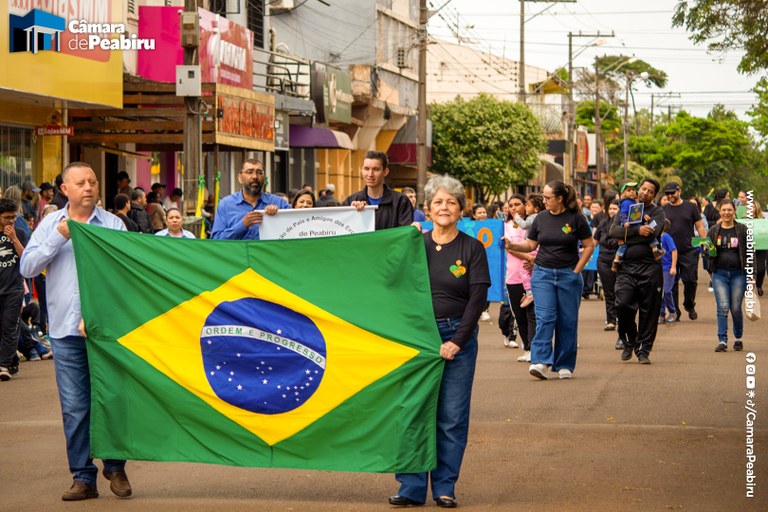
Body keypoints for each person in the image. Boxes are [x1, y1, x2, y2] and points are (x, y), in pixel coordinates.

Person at [19, 162, 132, 501]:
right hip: (65, 331)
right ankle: (83, 477)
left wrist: (101, 314)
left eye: (92, 181)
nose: (88, 187)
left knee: (112, 400)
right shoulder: (50, 225)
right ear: (64, 189)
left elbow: (124, 274)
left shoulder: (113, 224)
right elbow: (28, 266)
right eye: (80, 182)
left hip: (105, 330)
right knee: (75, 406)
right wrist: (59, 236)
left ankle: (115, 466)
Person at [389, 175, 489, 509]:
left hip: (457, 338)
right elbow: (390, 280)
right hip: (417, 338)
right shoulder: (414, 244)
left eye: (451, 202)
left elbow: (477, 299)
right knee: (412, 412)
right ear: (427, 209)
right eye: (437, 202)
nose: (444, 207)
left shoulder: (472, 248)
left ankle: (445, 487)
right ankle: (411, 487)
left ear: (461, 208)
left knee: (452, 416)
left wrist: (457, 341)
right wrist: (401, 238)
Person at [506, 181, 594, 380]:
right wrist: (512, 245)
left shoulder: (576, 218)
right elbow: (530, 244)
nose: (543, 201)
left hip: (568, 275)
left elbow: (589, 245)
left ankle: (564, 364)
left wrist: (576, 271)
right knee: (545, 318)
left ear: (560, 198)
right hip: (542, 274)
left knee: (567, 320)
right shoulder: (541, 218)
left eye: (547, 198)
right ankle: (540, 361)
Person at [609, 179, 666, 364]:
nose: (645, 193)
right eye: (643, 188)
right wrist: (637, 231)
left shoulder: (658, 212)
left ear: (654, 195)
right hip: (626, 268)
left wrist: (627, 238)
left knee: (649, 311)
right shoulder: (625, 207)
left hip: (650, 268)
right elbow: (614, 232)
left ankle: (643, 350)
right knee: (622, 305)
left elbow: (652, 233)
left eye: (650, 191)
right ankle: (629, 340)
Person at [706, 199, 748, 352]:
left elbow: (750, 252)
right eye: (724, 210)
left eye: (729, 210)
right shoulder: (713, 230)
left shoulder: (742, 229)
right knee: (722, 307)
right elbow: (708, 254)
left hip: (739, 274)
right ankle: (722, 341)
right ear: (719, 211)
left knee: (735, 308)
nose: (726, 213)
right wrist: (707, 250)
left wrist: (752, 274)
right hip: (719, 274)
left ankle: (738, 338)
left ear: (734, 211)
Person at [662, 181, 707, 320]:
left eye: (672, 192)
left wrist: (705, 243)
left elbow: (700, 227)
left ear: (679, 191)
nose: (670, 195)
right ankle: (675, 312)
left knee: (691, 280)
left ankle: (689, 304)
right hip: (669, 252)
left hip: (689, 250)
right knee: (672, 283)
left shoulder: (691, 207)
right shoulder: (663, 209)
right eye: (667, 193)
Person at [211, 159, 289, 240]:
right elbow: (216, 241)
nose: (255, 176)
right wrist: (242, 225)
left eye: (259, 172)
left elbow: (293, 232)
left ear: (264, 178)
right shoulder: (226, 205)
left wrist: (278, 216)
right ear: (240, 178)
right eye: (249, 172)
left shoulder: (280, 203)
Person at [503, 194, 537, 362]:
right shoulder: (505, 226)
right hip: (514, 276)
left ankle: (534, 348)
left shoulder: (534, 224)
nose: (514, 208)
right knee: (520, 314)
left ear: (526, 205)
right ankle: (527, 347)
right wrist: (529, 258)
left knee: (533, 315)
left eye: (517, 204)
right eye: (511, 205)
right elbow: (508, 248)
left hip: (534, 275)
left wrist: (535, 261)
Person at [343, 151, 413, 230]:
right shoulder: (351, 202)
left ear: (385, 172)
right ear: (361, 170)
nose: (370, 174)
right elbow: (343, 231)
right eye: (366, 169)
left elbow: (404, 233)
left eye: (376, 169)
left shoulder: (401, 201)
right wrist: (352, 213)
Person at [0, 198, 29, 381]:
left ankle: (3, 365)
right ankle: (12, 360)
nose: (10, 221)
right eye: (6, 218)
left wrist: (14, 238)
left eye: (13, 217)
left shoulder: (19, 233)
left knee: (10, 327)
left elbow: (26, 259)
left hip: (14, 288)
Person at [593, 199, 620, 337]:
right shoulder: (603, 223)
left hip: (620, 261)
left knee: (620, 291)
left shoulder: (623, 224)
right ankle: (611, 320)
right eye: (610, 209)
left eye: (615, 209)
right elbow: (593, 242)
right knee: (609, 292)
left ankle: (622, 318)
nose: (612, 211)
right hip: (603, 260)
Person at [658, 219, 678, 323]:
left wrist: (673, 267)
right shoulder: (655, 238)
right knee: (659, 292)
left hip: (667, 268)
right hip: (658, 268)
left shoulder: (666, 237)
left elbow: (674, 251)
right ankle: (661, 314)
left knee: (666, 291)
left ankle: (672, 311)